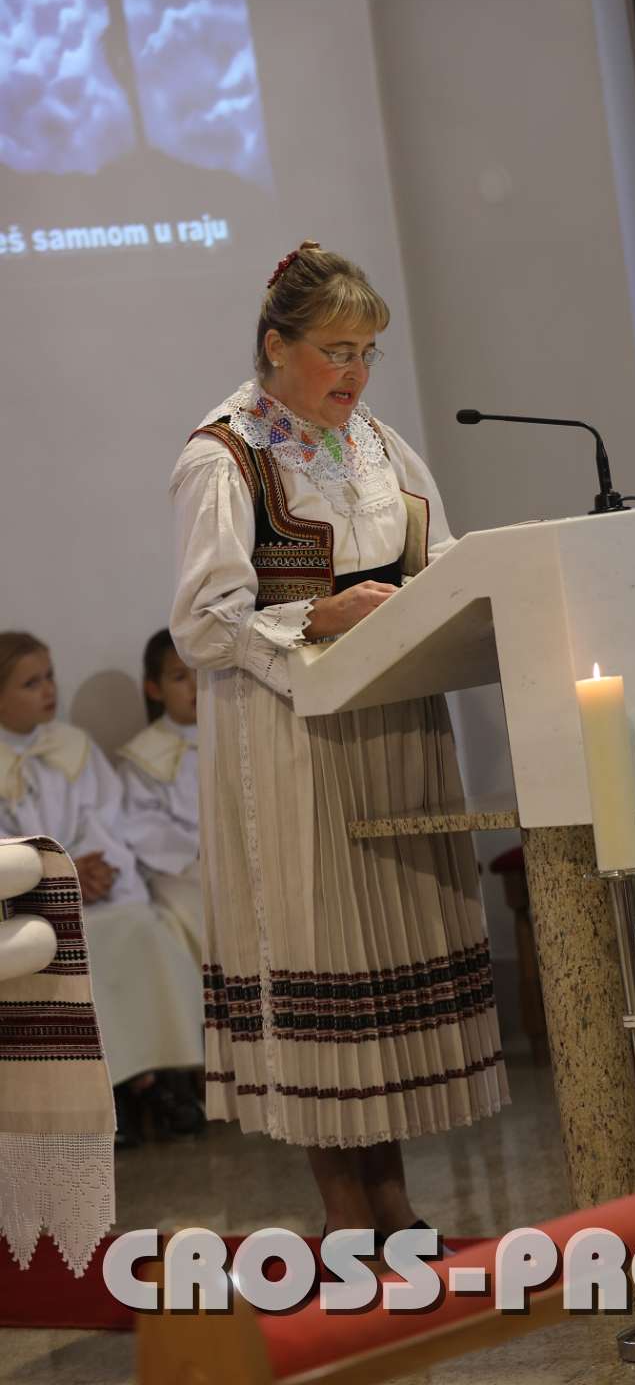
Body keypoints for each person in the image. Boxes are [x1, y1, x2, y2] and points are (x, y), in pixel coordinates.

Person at [169, 241, 507, 1240]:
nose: (354, 374)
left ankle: (392, 1199)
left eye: (366, 352)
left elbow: (438, 564)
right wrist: (316, 616)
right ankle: (347, 1212)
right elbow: (202, 625)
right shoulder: (224, 457)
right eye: (335, 350)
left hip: (393, 723)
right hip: (290, 741)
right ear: (276, 346)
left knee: (383, 957)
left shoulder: (380, 448)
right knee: (327, 955)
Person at [0, 632, 205, 1144]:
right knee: (74, 947)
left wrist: (96, 871)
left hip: (96, 888)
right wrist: (62, 876)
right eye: (31, 683)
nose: (49, 690)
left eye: (50, 677)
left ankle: (161, 1075)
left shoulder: (74, 747)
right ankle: (109, 1092)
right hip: (33, 903)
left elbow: (107, 824)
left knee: (140, 927)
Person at [117, 629, 202, 963]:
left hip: (243, 856)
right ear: (154, 689)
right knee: (194, 913)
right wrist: (200, 849)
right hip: (180, 869)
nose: (195, 685)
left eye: (201, 671)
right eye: (180, 677)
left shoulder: (237, 735)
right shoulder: (142, 757)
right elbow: (142, 824)